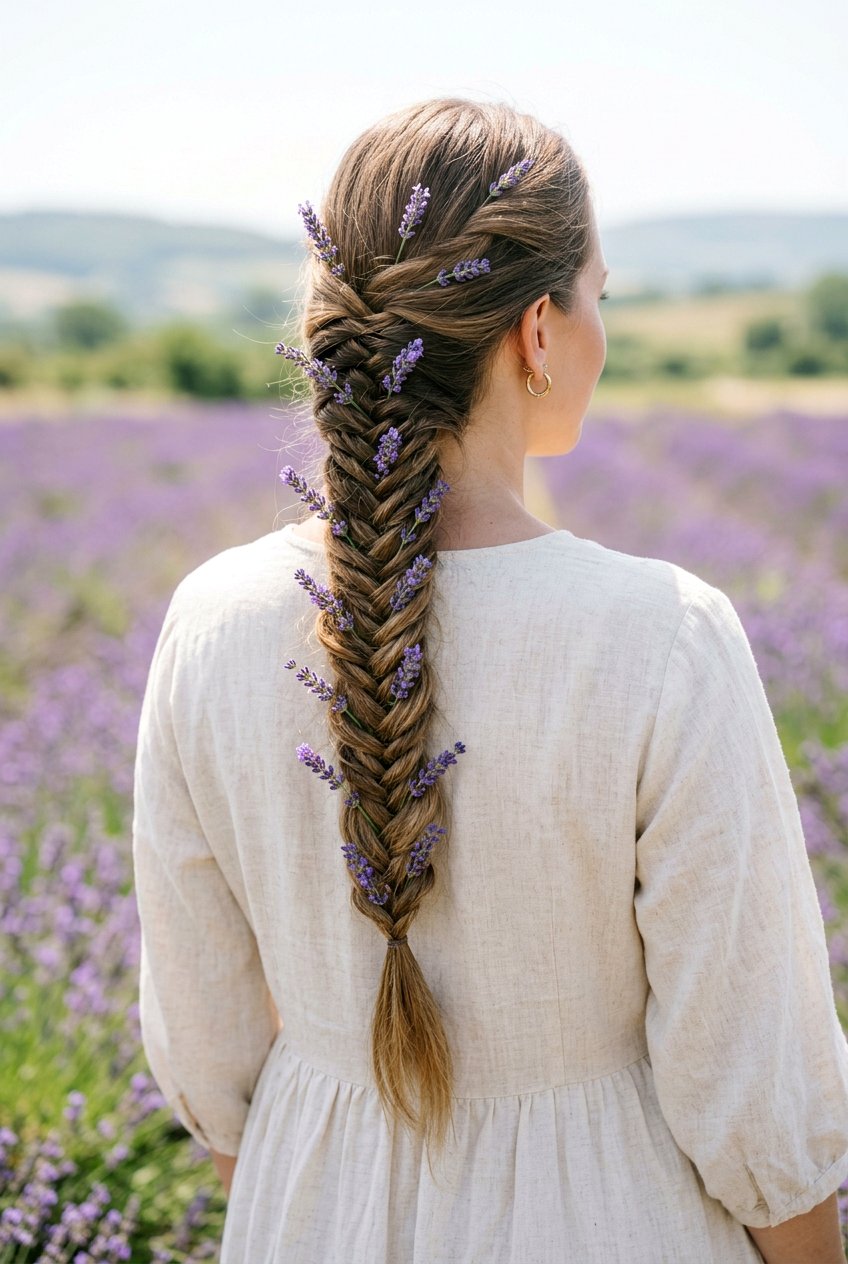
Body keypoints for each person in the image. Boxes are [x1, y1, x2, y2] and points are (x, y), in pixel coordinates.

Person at [131, 97, 848, 1263]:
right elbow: (750, 1075)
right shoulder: (661, 637)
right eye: (597, 297)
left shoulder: (207, 624)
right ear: (536, 330)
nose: (600, 332)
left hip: (309, 1215)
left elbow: (209, 1054)